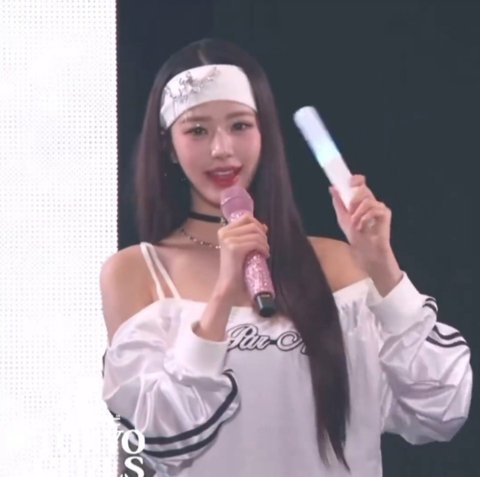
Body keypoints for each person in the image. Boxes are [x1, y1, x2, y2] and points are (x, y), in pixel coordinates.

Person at [100, 38, 472, 477]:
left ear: (264, 133)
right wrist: (223, 296)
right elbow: (154, 439)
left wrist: (382, 265)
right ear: (168, 146)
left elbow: (441, 407)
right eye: (197, 130)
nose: (222, 148)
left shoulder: (339, 265)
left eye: (240, 125)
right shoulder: (137, 272)